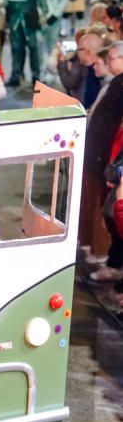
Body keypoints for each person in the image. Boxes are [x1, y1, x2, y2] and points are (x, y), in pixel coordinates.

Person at [79, 41, 123, 264]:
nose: (106, 63)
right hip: (101, 155)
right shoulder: (115, 83)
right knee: (98, 206)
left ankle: (105, 256)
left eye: (111, 59)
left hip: (110, 157)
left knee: (108, 210)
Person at [6, 0, 47, 87]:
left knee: (33, 47)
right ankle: (16, 75)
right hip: (15, 17)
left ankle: (36, 76)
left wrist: (44, 12)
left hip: (30, 15)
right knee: (16, 48)